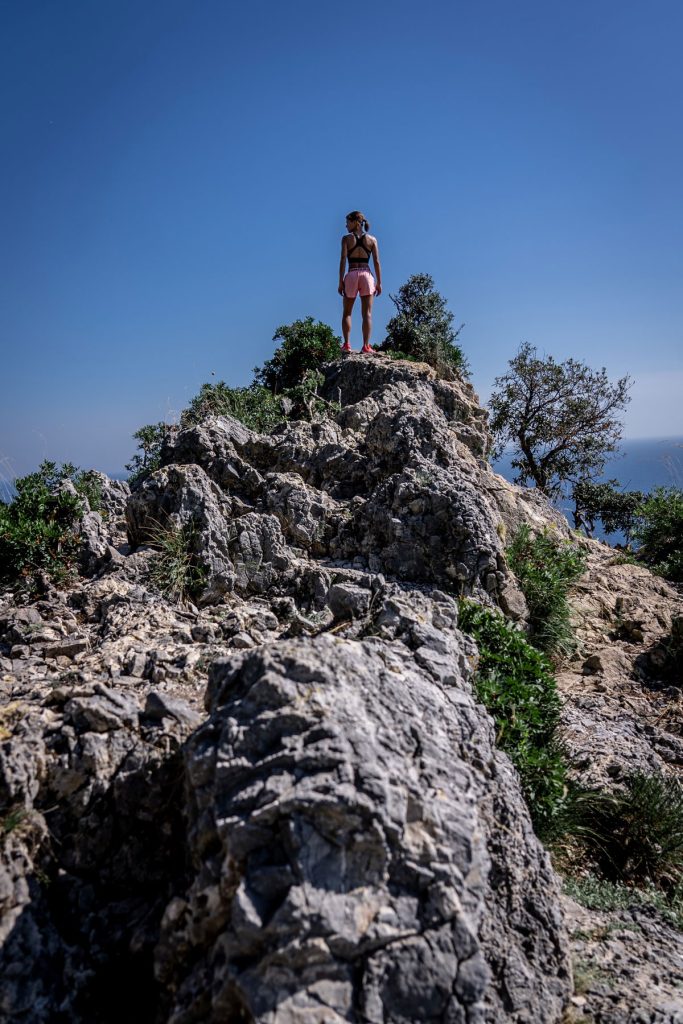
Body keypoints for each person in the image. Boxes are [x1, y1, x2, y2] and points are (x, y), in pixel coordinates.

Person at [338, 211, 382, 353]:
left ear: (356, 222)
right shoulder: (372, 240)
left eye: (348, 222)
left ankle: (346, 345)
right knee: (367, 313)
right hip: (366, 275)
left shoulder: (346, 239)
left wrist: (340, 281)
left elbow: (343, 260)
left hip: (351, 274)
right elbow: (376, 261)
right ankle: (366, 346)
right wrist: (379, 282)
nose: (346, 225)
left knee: (347, 313)